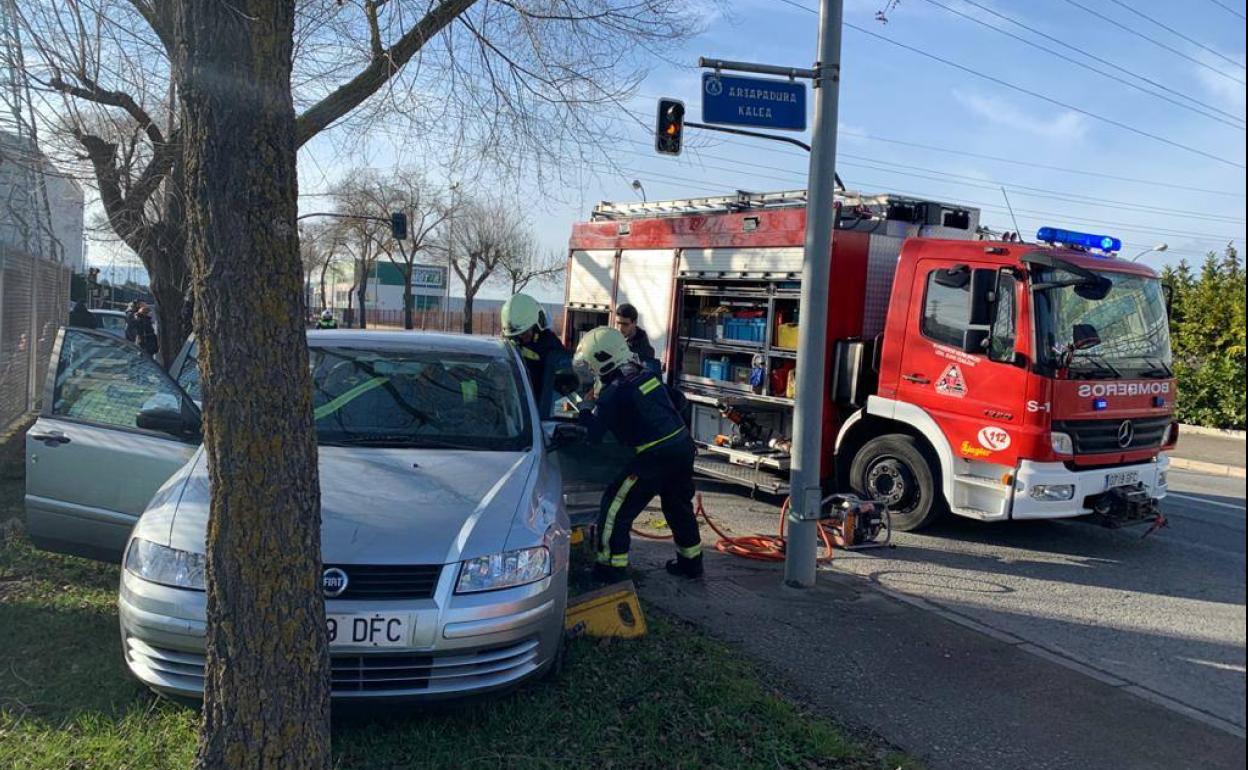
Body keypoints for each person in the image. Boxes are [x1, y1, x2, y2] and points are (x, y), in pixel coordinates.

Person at [573, 326, 702, 583]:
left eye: (590, 365)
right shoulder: (646, 374)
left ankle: (609, 569)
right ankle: (691, 564)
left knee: (614, 509)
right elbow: (678, 401)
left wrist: (586, 409)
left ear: (602, 360)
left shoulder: (613, 393)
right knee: (678, 507)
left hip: (653, 459)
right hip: (682, 448)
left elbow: (594, 435)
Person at [500, 293, 566, 395]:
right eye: (518, 336)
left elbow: (565, 376)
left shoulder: (549, 346)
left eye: (525, 334)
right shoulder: (505, 353)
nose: (522, 339)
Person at [614, 303, 657, 370]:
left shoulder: (645, 351)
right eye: (618, 323)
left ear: (635, 322)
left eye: (625, 324)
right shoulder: (611, 341)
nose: (620, 328)